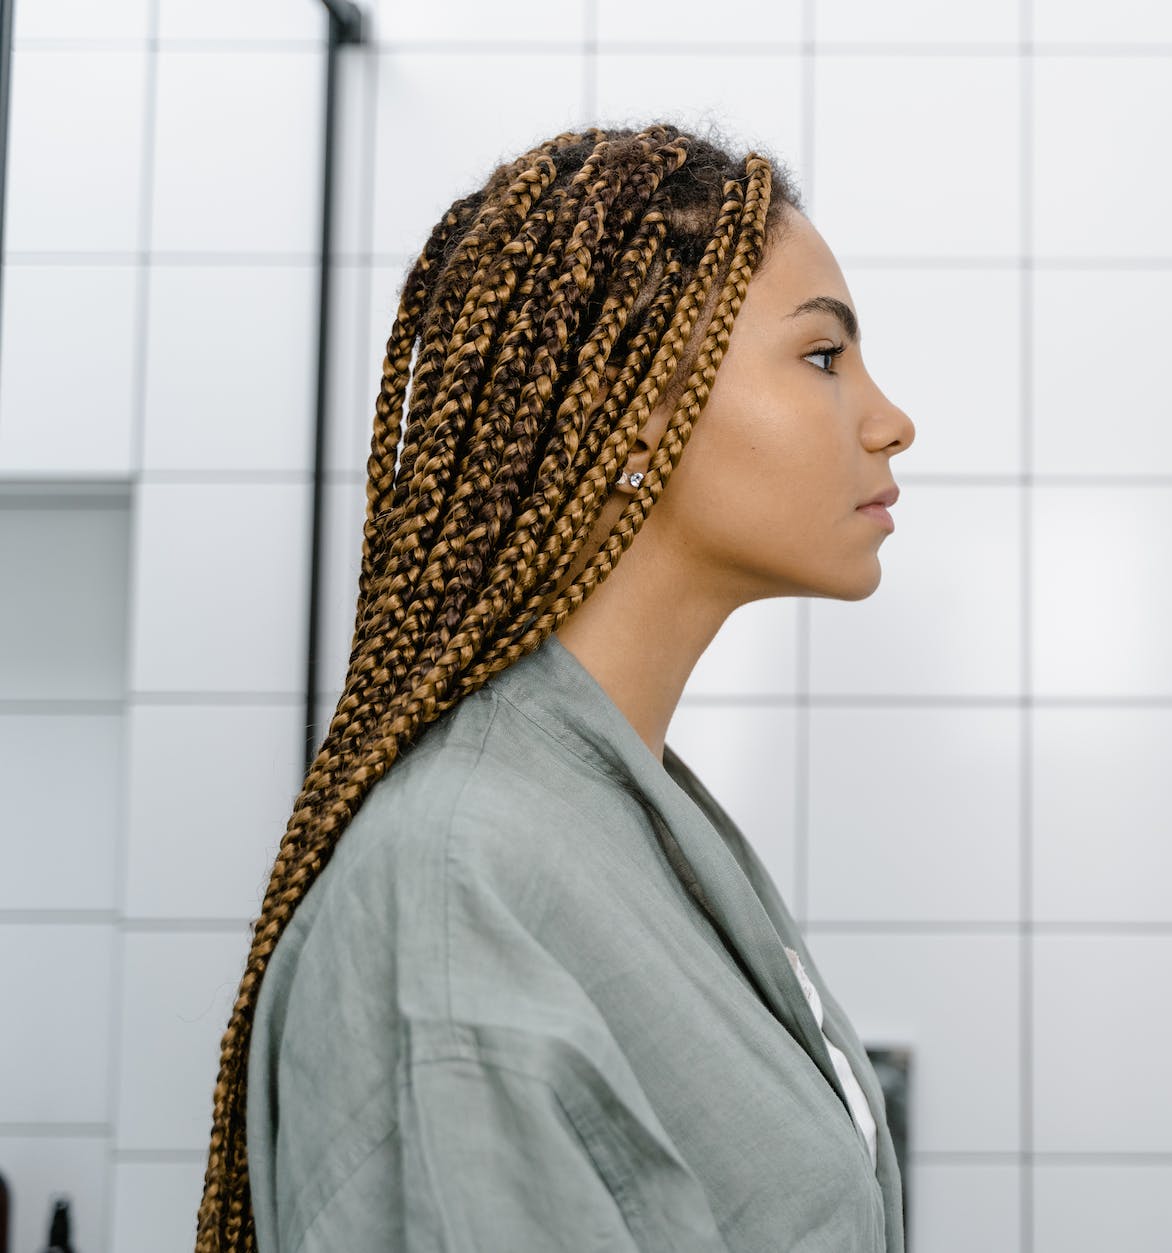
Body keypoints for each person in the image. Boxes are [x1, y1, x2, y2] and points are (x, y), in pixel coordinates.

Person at [189, 121, 917, 1253]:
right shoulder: (452, 890)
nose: (889, 419)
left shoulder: (616, 815)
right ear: (635, 406)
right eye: (823, 358)